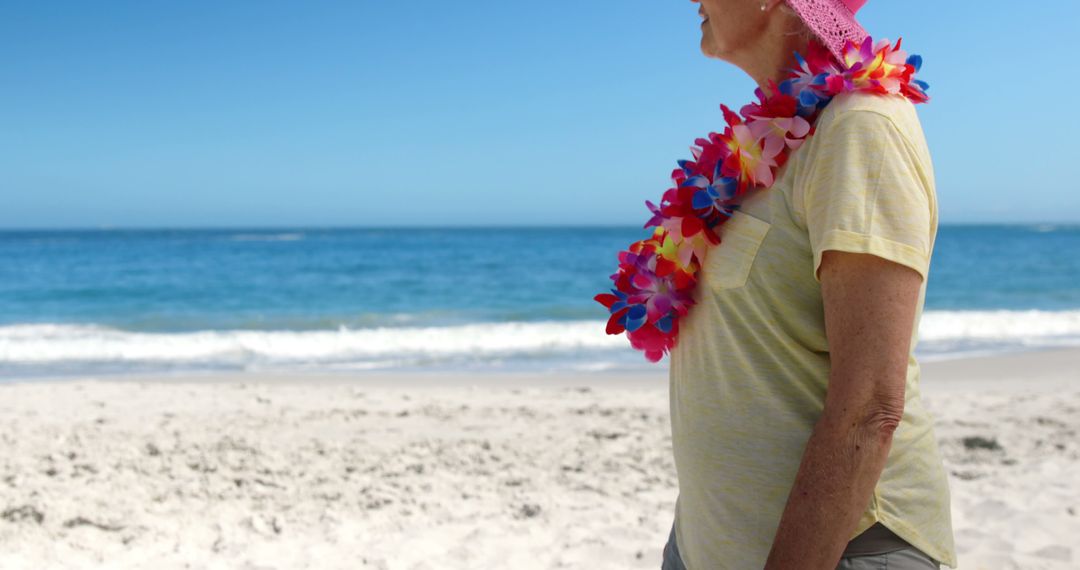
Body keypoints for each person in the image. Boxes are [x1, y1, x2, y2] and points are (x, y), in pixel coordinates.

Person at [660, 0, 957, 568]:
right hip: (710, 542)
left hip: (840, 551)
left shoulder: (861, 124)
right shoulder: (770, 138)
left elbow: (871, 406)